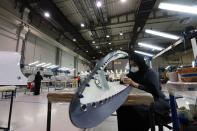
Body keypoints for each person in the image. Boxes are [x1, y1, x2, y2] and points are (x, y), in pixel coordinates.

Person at [117, 52, 170, 131]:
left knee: (136, 112)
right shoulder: (134, 73)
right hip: (142, 98)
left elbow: (154, 91)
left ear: (140, 63)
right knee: (122, 108)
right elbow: (125, 79)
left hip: (155, 99)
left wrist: (135, 84)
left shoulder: (151, 73)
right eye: (131, 65)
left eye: (135, 65)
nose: (133, 67)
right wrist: (122, 78)